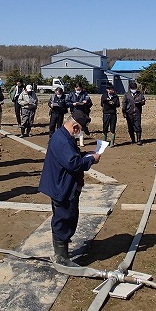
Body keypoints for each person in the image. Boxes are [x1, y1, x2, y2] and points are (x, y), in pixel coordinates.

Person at [38, 110, 101, 266]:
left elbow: (73, 156)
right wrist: (91, 160)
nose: (79, 134)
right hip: (63, 187)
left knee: (64, 218)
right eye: (79, 130)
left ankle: (62, 251)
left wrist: (86, 154)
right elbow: (73, 164)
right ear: (74, 126)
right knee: (65, 219)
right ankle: (62, 258)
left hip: (62, 185)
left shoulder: (63, 136)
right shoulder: (62, 141)